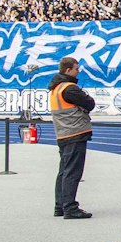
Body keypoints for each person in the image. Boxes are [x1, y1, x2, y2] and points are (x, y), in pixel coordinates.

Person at [47, 56, 95, 220]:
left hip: (63, 133)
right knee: (72, 172)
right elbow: (90, 103)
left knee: (64, 171)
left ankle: (59, 206)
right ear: (68, 70)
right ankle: (70, 207)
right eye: (76, 68)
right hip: (74, 132)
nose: (78, 71)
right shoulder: (69, 89)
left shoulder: (55, 88)